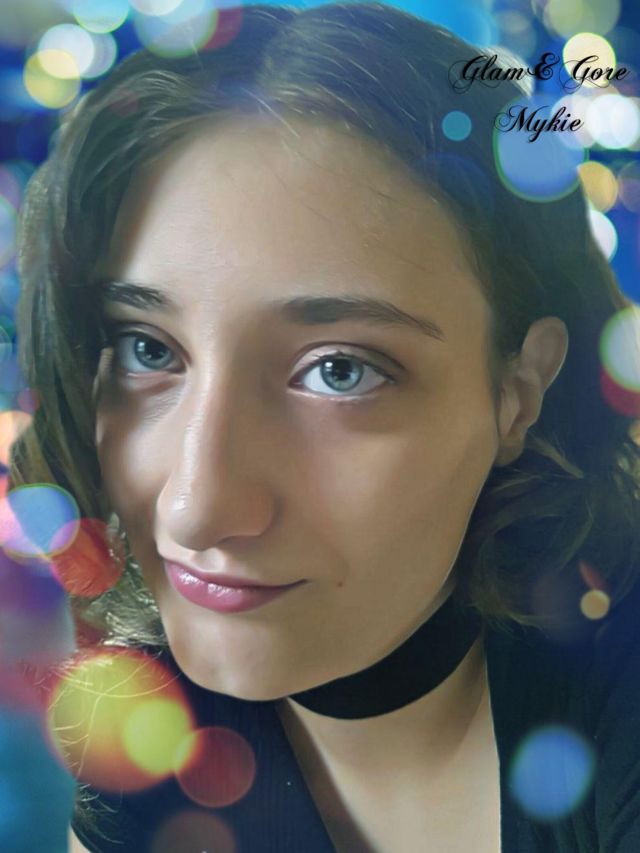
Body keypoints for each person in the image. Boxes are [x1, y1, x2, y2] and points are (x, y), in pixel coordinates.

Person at [8, 3, 640, 851]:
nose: (195, 508)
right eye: (146, 349)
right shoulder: (138, 758)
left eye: (340, 370)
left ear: (518, 392)